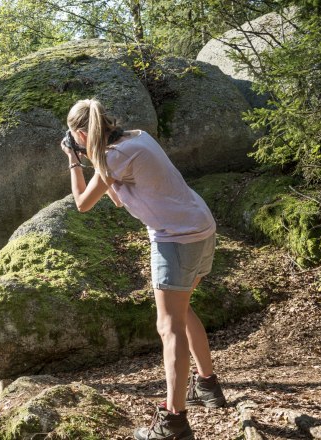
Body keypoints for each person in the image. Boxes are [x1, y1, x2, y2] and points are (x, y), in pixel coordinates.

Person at [61, 98, 226, 440]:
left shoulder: (115, 156)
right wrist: (91, 158)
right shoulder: (137, 137)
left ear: (81, 133)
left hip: (175, 238)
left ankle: (174, 422)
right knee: (181, 311)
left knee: (169, 327)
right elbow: (119, 196)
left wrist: (73, 162)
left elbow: (82, 203)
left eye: (76, 138)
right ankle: (207, 386)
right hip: (199, 227)